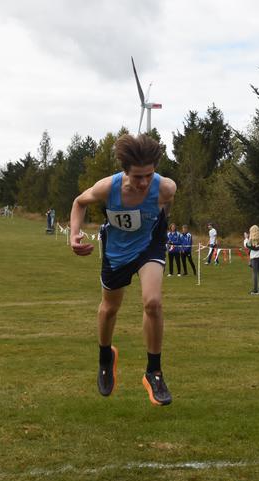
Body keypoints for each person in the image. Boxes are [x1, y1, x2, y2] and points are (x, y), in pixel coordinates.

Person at [69, 133, 176, 406]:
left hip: (149, 245)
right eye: (137, 177)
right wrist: (74, 234)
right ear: (124, 171)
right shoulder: (108, 188)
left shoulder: (165, 188)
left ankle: (154, 371)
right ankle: (106, 357)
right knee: (109, 308)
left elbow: (162, 211)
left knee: (153, 303)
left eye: (148, 176)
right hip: (116, 251)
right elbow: (79, 203)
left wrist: (155, 225)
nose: (143, 183)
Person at [244, 225, 259, 294]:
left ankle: (255, 289)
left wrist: (246, 238)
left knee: (255, 273)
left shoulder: (251, 240)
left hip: (254, 257)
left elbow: (246, 245)